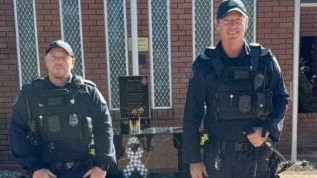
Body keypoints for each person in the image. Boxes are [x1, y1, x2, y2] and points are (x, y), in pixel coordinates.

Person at [182, 0, 289, 178]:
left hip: (255, 159)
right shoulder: (204, 65)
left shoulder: (264, 60)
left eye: (238, 20)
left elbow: (281, 98)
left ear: (246, 23)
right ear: (217, 25)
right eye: (227, 20)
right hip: (218, 159)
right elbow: (192, 115)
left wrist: (268, 130)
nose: (233, 26)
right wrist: (194, 160)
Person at [9, 40, 116, 178]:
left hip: (84, 171)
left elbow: (104, 127)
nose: (58, 61)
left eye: (64, 57)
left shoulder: (88, 92)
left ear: (73, 62)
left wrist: (101, 166)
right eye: (54, 57)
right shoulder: (30, 94)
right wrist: (34, 168)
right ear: (46, 61)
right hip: (45, 172)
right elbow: (16, 132)